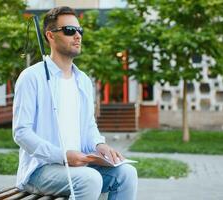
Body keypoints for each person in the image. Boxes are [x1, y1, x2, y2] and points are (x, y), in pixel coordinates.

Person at [13, 6, 137, 200]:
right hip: (40, 170)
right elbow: (21, 133)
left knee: (127, 174)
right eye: (70, 31)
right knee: (90, 179)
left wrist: (99, 145)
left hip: (78, 166)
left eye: (80, 30)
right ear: (50, 36)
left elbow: (88, 126)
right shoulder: (32, 77)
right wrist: (62, 155)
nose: (78, 36)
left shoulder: (83, 80)